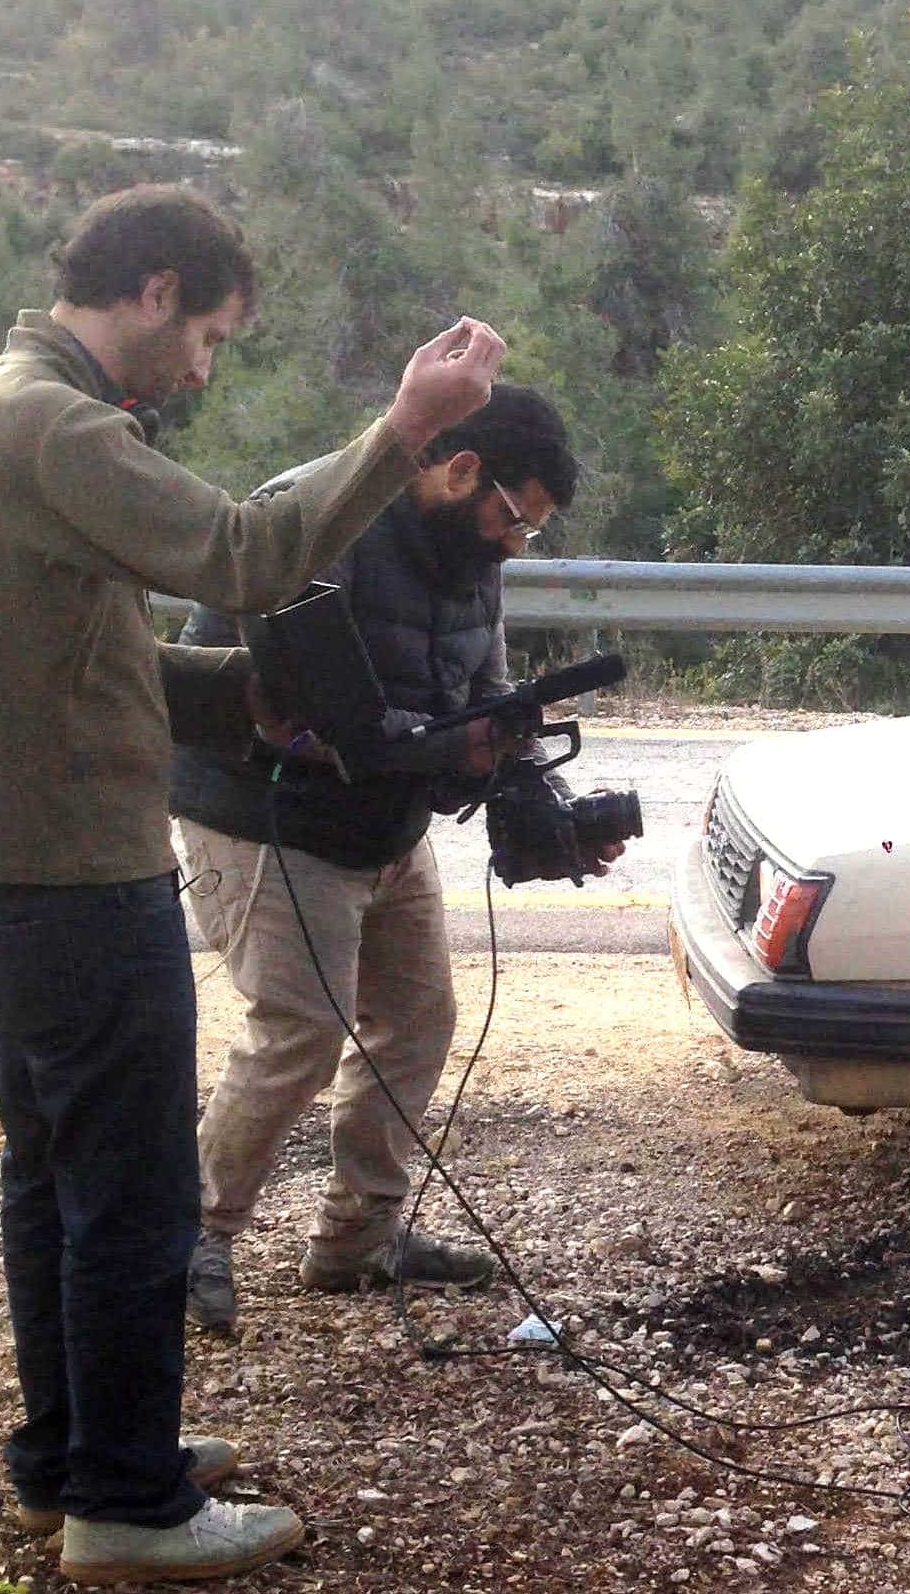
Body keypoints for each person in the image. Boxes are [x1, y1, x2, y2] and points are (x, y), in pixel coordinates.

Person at [0, 182, 505, 1584]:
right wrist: (407, 428)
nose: (204, 368)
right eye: (213, 337)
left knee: (54, 1177)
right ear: (158, 291)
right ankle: (127, 1502)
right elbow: (249, 552)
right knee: (127, 1199)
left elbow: (81, 649)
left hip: (8, 869)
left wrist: (230, 692)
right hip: (77, 881)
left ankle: (68, 1458)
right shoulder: (54, 426)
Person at [169, 386, 608, 1333]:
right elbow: (304, 716)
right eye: (514, 517)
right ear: (458, 472)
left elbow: (484, 693)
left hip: (386, 822)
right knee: (300, 1031)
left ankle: (358, 1238)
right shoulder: (318, 522)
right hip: (268, 817)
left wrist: (548, 809)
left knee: (417, 1019)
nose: (515, 543)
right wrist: (453, 749)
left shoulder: (468, 550)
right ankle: (193, 1235)